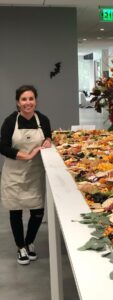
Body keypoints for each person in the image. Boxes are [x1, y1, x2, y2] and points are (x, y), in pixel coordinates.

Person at [0, 85, 52, 265]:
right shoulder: (10, 121)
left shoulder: (43, 120)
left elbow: (48, 137)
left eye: (31, 98)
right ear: (18, 102)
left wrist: (48, 142)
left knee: (37, 211)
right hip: (14, 173)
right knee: (16, 211)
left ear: (35, 100)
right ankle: (20, 246)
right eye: (24, 99)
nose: (28, 102)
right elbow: (3, 147)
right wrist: (27, 155)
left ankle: (30, 241)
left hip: (35, 172)